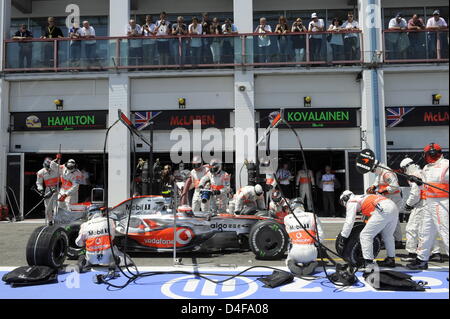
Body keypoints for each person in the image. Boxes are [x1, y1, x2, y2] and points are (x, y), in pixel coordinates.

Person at [408, 143, 448, 270]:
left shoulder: (446, 165)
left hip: (442, 203)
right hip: (429, 203)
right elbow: (425, 184)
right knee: (425, 232)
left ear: (431, 154)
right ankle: (422, 259)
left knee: (445, 232)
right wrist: (417, 180)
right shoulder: (426, 168)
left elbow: (439, 182)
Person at [338, 190, 399, 269]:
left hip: (383, 209)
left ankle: (368, 263)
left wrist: (343, 238)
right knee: (388, 236)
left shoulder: (351, 201)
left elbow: (349, 222)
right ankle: (391, 259)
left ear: (345, 198)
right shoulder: (363, 197)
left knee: (365, 235)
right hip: (392, 206)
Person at [400, 157, 441, 262]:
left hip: (421, 205)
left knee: (411, 228)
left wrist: (408, 204)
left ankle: (412, 252)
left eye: (404, 169)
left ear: (407, 167)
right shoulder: (422, 171)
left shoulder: (413, 176)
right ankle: (436, 253)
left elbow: (415, 193)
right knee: (428, 230)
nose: (404, 172)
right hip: (430, 202)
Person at [75, 205, 130, 272]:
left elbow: (78, 243)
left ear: (89, 214)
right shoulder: (110, 221)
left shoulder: (84, 225)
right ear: (99, 212)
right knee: (127, 258)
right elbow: (112, 236)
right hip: (108, 256)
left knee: (83, 256)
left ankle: (84, 263)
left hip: (92, 258)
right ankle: (115, 261)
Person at [366, 163, 403, 247]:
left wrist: (382, 191)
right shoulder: (381, 172)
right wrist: (373, 187)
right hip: (388, 197)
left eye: (373, 170)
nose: (373, 172)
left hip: (394, 197)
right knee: (386, 218)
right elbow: (377, 180)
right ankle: (389, 239)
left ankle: (398, 241)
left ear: (376, 167)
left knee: (394, 219)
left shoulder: (387, 173)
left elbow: (395, 186)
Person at [284, 206, 324, 276]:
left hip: (295, 251)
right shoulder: (312, 215)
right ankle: (312, 262)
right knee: (313, 256)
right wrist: (316, 244)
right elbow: (321, 234)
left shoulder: (287, 218)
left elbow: (287, 236)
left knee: (289, 259)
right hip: (310, 251)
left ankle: (291, 263)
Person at [36, 154, 61, 224]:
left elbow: (63, 176)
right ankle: (50, 221)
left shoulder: (57, 170)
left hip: (57, 189)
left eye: (49, 167)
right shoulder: (40, 172)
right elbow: (39, 183)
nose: (48, 169)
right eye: (47, 167)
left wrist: (57, 160)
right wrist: (41, 190)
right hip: (48, 190)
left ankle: (57, 220)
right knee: (48, 208)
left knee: (56, 207)